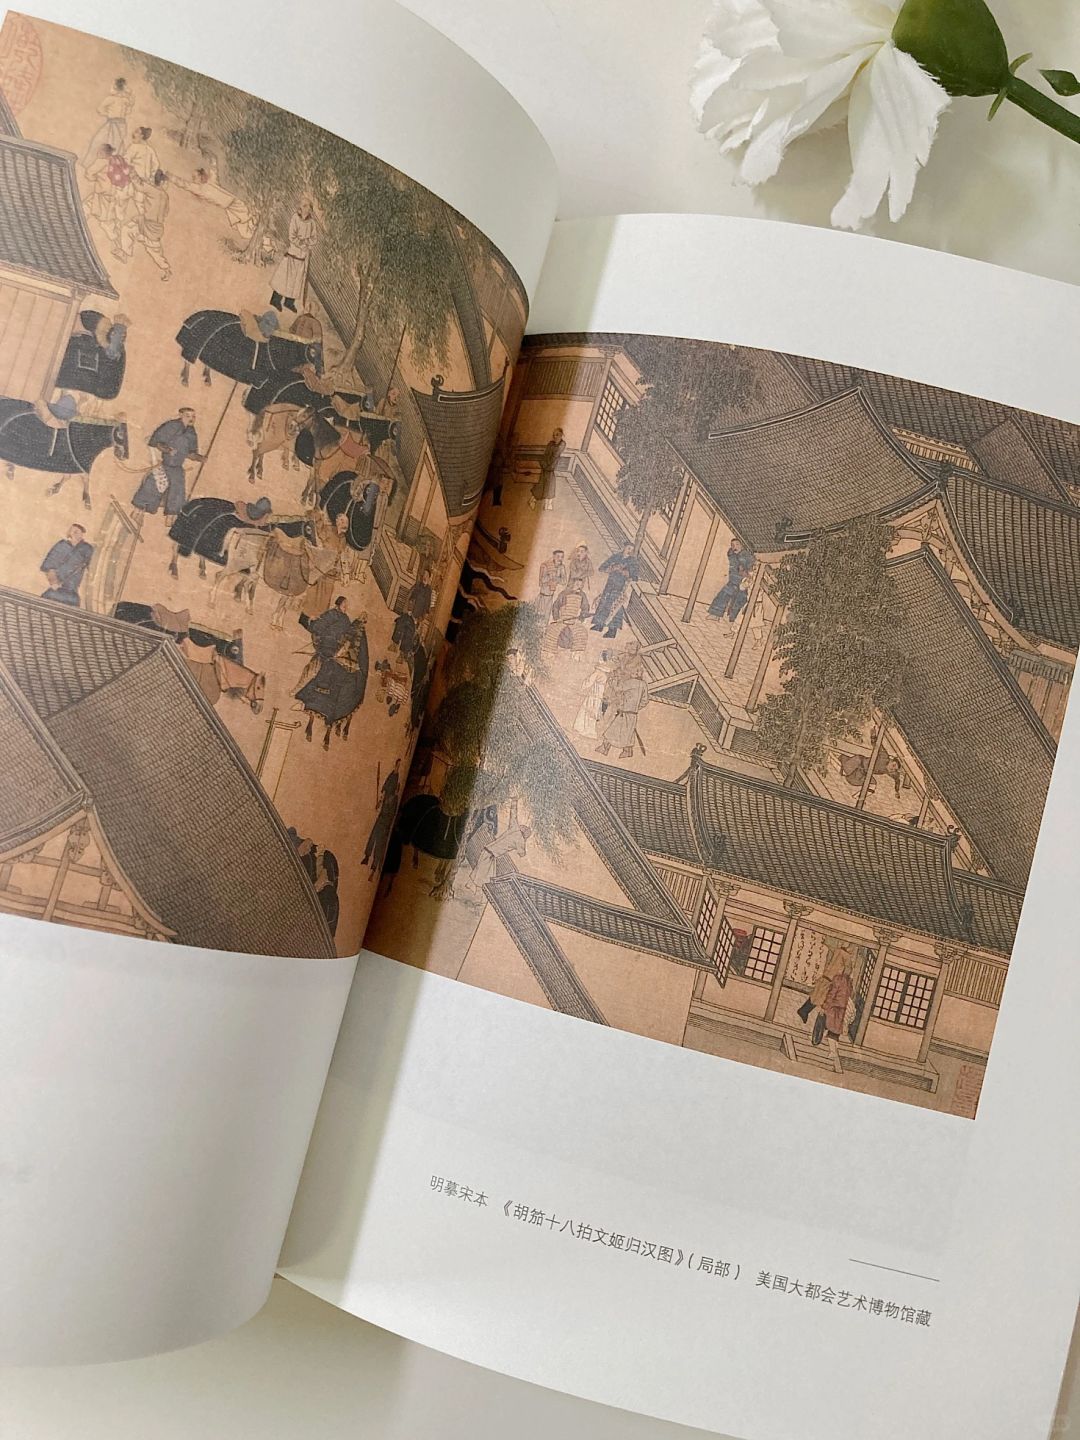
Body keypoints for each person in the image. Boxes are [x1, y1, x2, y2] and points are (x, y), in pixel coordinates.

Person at [132, 408, 204, 518]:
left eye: (193, 416)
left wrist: (200, 458)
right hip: (165, 463)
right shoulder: (171, 425)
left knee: (178, 489)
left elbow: (191, 453)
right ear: (180, 415)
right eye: (188, 416)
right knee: (153, 483)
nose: (191, 419)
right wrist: (167, 450)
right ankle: (138, 510)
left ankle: (171, 516)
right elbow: (157, 442)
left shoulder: (191, 433)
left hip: (177, 466)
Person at [595, 650, 648, 758]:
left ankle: (605, 748)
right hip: (633, 713)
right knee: (628, 733)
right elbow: (645, 700)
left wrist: (612, 680)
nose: (635, 673)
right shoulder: (643, 685)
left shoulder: (631, 682)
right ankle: (627, 751)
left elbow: (618, 689)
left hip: (625, 713)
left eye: (636, 671)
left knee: (613, 730)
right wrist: (635, 708)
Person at [271, 198, 318, 312]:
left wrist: (307, 242)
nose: (305, 208)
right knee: (285, 278)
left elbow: (314, 239)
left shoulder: (312, 223)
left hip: (302, 257)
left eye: (307, 206)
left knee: (296, 281)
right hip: (293, 253)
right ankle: (275, 300)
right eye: (303, 206)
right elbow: (292, 236)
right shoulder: (295, 218)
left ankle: (289, 302)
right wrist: (301, 243)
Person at [81, 77, 132, 173]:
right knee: (103, 142)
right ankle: (100, 166)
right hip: (115, 123)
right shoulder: (116, 99)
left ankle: (111, 168)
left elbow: (100, 109)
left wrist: (110, 113)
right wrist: (109, 114)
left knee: (115, 145)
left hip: (119, 125)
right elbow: (100, 109)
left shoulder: (122, 100)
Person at [590, 540, 639, 637]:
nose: (629, 551)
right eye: (628, 548)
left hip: (621, 586)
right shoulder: (616, 557)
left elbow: (635, 576)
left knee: (616, 606)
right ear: (624, 547)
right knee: (604, 602)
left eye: (632, 550)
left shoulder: (633, 561)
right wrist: (612, 568)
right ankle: (599, 625)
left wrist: (625, 572)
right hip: (610, 584)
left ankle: (612, 630)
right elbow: (602, 567)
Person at [363, 759, 402, 874]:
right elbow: (390, 782)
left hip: (385, 825)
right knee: (373, 837)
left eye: (397, 789)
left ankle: (374, 866)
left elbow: (392, 816)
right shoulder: (388, 794)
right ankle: (367, 857)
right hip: (381, 819)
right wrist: (379, 804)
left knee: (379, 845)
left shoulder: (394, 800)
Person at [40, 524, 93, 607]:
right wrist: (54, 583)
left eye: (78, 532)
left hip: (72, 592)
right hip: (58, 588)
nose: (75, 534)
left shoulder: (86, 549)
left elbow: (91, 567)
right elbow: (50, 566)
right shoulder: (61, 546)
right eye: (73, 531)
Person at [132, 169, 172, 279]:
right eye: (167, 183)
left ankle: (166, 269)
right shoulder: (165, 195)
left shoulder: (153, 190)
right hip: (157, 225)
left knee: (152, 249)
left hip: (149, 224)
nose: (167, 186)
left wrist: (133, 175)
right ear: (162, 182)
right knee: (153, 249)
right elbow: (166, 212)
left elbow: (138, 186)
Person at [708, 538, 755, 622]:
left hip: (743, 582)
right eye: (732, 545)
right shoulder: (732, 555)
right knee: (724, 595)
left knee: (739, 600)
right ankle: (716, 614)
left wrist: (747, 576)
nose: (734, 547)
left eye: (737, 544)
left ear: (742, 545)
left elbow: (750, 570)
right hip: (733, 580)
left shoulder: (746, 556)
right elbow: (730, 556)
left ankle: (733, 619)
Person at [573, 654, 611, 738]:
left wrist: (581, 687)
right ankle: (588, 730)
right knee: (593, 711)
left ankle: (583, 729)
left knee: (588, 710)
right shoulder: (605, 673)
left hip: (594, 694)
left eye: (600, 659)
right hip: (599, 695)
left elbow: (589, 681)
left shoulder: (598, 672)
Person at [529, 427, 564, 511]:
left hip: (550, 467)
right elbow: (546, 455)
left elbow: (555, 456)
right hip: (546, 467)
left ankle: (547, 504)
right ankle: (534, 500)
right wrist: (544, 464)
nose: (555, 436)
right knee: (543, 484)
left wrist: (549, 466)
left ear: (561, 435)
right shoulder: (550, 444)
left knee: (550, 485)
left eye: (557, 435)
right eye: (554, 435)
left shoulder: (561, 445)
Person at [534, 549, 566, 622]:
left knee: (546, 619)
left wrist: (556, 578)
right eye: (558, 556)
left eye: (562, 557)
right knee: (538, 617)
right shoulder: (546, 565)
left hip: (550, 596)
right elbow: (542, 580)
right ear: (554, 556)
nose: (560, 559)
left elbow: (564, 581)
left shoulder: (561, 567)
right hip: (543, 596)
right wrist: (550, 576)